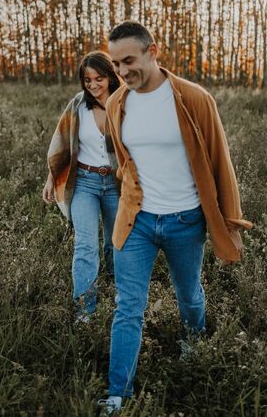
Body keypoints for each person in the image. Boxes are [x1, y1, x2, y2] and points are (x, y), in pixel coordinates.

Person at [97, 21, 252, 414]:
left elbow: (220, 162)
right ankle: (118, 393)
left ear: (153, 51)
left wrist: (229, 220)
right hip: (137, 222)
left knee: (189, 295)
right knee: (127, 305)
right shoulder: (117, 104)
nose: (123, 71)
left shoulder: (193, 98)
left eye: (129, 60)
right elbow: (124, 162)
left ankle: (194, 347)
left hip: (186, 221)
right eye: (116, 65)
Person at [43, 51, 121, 322]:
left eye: (99, 78)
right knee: (85, 246)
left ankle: (114, 293)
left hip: (116, 184)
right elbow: (61, 143)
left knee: (117, 244)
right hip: (85, 182)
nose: (93, 84)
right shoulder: (78, 105)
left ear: (111, 77)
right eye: (87, 80)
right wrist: (52, 178)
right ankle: (84, 312)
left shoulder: (124, 103)